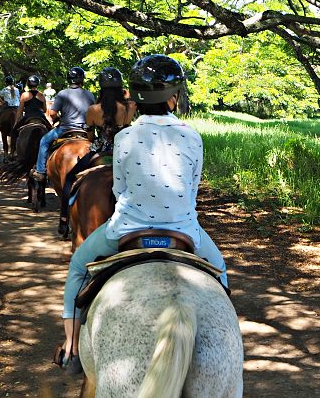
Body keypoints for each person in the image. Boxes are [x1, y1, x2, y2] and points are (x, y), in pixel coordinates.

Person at [54, 54, 228, 375]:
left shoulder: (124, 138)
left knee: (79, 266)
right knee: (220, 271)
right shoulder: (193, 136)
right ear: (173, 98)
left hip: (126, 229)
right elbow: (192, 191)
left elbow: (119, 190)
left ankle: (72, 347)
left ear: (137, 96)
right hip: (185, 231)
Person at [56, 67, 137, 233]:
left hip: (100, 152)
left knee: (70, 179)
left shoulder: (93, 110)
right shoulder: (129, 107)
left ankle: (64, 219)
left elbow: (90, 137)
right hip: (125, 152)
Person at [34, 67, 96, 178]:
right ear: (82, 79)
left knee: (44, 141)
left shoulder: (62, 94)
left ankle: (40, 171)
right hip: (85, 131)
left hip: (65, 129)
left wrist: (57, 119)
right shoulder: (90, 95)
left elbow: (52, 113)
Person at [10, 74, 51, 142]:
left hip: (28, 117)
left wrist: (16, 123)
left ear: (28, 84)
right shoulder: (41, 95)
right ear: (37, 84)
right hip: (40, 118)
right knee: (51, 129)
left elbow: (19, 111)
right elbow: (44, 110)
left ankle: (13, 149)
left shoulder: (24, 95)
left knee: (14, 131)